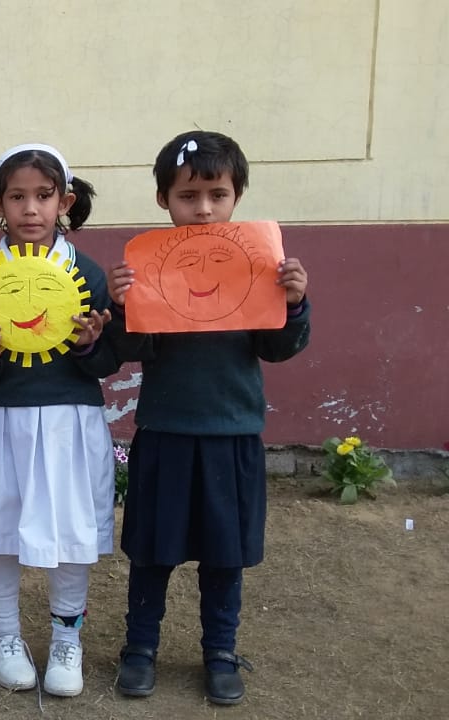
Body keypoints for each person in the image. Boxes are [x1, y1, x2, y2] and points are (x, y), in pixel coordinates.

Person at [107, 130, 311, 705]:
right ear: (163, 200)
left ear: (236, 197)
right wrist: (123, 308)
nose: (203, 209)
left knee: (225, 553)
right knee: (152, 550)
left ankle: (220, 651)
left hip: (232, 434)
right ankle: (139, 648)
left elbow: (278, 348)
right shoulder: (149, 270)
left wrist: (294, 303)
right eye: (187, 196)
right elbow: (132, 351)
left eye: (217, 195)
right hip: (166, 432)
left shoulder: (258, 267)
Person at [0, 143, 117, 697]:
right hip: (4, 422)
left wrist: (90, 343)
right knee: (0, 529)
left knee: (70, 532)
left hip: (70, 422)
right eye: (17, 197)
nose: (31, 209)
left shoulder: (87, 275)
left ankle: (67, 638)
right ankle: (5, 636)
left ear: (64, 202)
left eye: (44, 196)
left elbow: (107, 360)